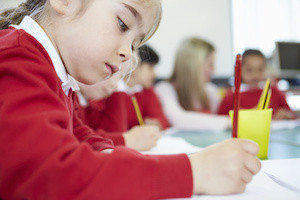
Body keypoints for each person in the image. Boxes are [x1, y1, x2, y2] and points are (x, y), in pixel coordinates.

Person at [0, 0, 261, 199]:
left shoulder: (55, 75)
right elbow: (52, 177)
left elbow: (79, 134)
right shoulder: (19, 61)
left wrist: (110, 154)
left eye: (135, 44)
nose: (128, 53)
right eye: (122, 24)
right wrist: (194, 172)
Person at [82, 45, 169, 135]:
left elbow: (162, 120)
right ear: (134, 67)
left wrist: (156, 124)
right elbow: (114, 130)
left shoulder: (147, 91)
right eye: (150, 68)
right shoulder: (104, 91)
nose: (154, 74)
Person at [155, 37, 230, 131]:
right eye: (210, 64)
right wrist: (229, 121)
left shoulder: (210, 90)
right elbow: (179, 120)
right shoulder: (164, 89)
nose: (214, 70)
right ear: (194, 66)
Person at [218, 49, 295, 120]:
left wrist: (287, 115)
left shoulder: (273, 92)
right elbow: (220, 121)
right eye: (249, 70)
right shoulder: (231, 96)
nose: (255, 75)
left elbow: (293, 116)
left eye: (260, 70)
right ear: (239, 70)